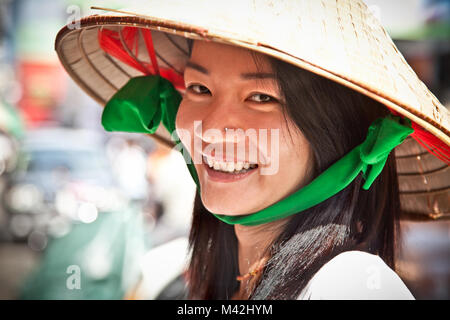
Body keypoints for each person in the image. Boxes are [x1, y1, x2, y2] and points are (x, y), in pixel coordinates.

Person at [54, 0, 449, 299]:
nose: (210, 130)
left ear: (336, 133)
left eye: (261, 96)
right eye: (199, 88)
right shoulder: (169, 271)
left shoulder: (351, 288)